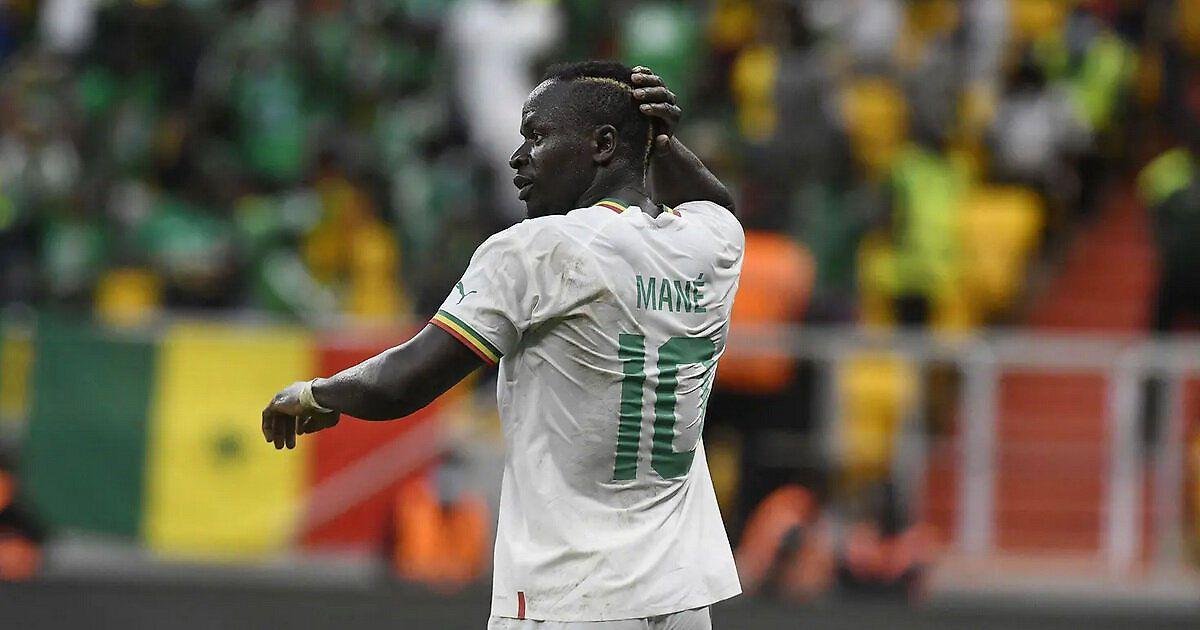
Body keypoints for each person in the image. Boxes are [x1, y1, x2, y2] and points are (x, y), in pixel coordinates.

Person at [261, 61, 743, 629]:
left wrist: (315, 393)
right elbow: (720, 208)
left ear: (602, 145)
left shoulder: (539, 248)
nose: (518, 157)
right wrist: (660, 144)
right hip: (681, 597)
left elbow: (406, 381)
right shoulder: (711, 245)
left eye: (537, 135)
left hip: (572, 597)